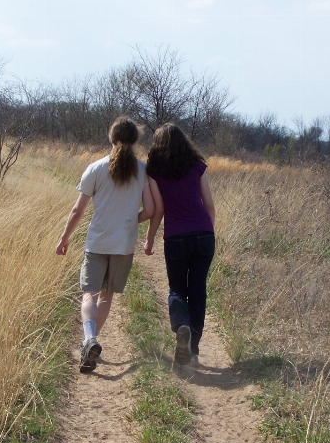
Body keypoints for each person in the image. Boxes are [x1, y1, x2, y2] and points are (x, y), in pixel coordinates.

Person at [57, 116, 155, 373]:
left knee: (89, 293)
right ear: (135, 141)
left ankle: (89, 339)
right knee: (106, 296)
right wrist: (130, 221)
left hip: (98, 241)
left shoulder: (95, 168)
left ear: (111, 138)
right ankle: (90, 342)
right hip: (124, 244)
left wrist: (64, 238)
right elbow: (152, 209)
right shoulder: (143, 170)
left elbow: (78, 210)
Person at [143, 123, 215, 366]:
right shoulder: (197, 165)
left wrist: (150, 238)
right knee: (198, 291)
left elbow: (159, 209)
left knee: (176, 289)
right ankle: (193, 349)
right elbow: (209, 205)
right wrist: (209, 231)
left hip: (175, 236)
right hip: (204, 234)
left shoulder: (154, 170)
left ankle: (181, 325)